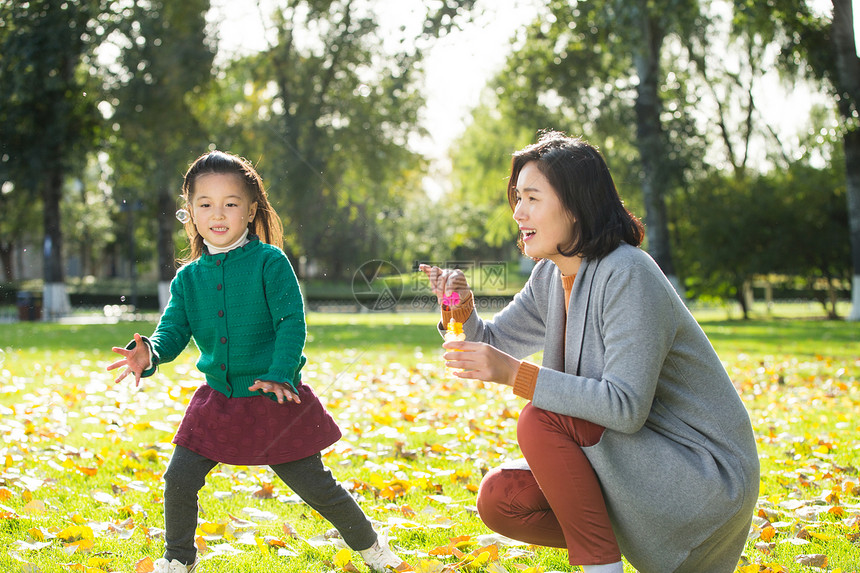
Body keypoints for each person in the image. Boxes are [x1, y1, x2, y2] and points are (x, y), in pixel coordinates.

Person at [420, 131, 759, 573]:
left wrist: (514, 375)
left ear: (576, 206)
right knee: (502, 498)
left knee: (541, 419)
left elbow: (624, 407)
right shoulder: (551, 274)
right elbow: (495, 344)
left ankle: (602, 568)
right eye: (517, 197)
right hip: (639, 468)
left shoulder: (628, 274)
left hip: (702, 478)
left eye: (532, 198)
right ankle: (606, 552)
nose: (518, 212)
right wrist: (458, 305)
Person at [108, 151, 407, 573]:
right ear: (189, 212)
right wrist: (149, 352)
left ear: (250, 211)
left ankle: (373, 547)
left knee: (315, 486)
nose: (218, 213)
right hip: (219, 400)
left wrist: (280, 373)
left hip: (273, 396)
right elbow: (172, 332)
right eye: (205, 204)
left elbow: (291, 323)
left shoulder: (270, 262)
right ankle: (178, 560)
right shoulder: (188, 278)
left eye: (230, 203)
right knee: (179, 477)